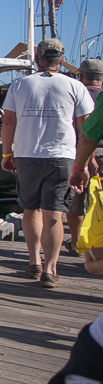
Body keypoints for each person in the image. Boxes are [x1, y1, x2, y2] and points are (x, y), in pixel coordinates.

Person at [1, 38, 93, 288]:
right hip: (62, 156)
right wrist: (84, 162)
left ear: (36, 59)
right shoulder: (75, 86)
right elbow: (85, 128)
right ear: (61, 60)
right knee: (54, 213)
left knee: (31, 210)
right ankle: (50, 270)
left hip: (27, 155)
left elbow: (9, 122)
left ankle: (34, 262)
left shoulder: (19, 85)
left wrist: (6, 154)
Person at [68, 58, 103, 252]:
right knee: (100, 201)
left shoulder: (75, 95)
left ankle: (76, 243)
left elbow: (86, 136)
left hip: (80, 152)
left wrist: (81, 164)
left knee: (76, 201)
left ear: (80, 76)